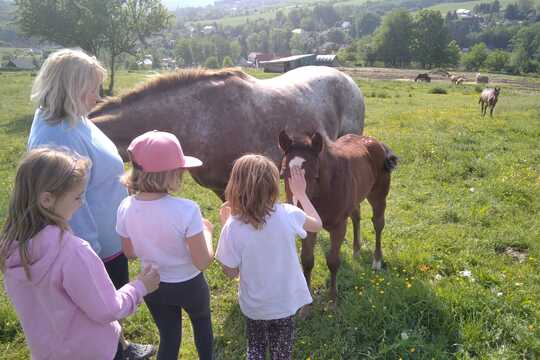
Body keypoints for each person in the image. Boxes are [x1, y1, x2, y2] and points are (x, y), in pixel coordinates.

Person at [26, 48, 155, 359]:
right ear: (72, 87)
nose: (97, 97)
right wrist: (92, 254)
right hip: (93, 246)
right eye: (92, 88)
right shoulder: (57, 136)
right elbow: (71, 204)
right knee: (97, 311)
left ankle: (119, 347)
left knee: (104, 315)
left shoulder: (71, 118)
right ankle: (113, 352)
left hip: (105, 239)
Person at [0, 148, 160, 360]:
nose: (82, 202)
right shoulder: (73, 251)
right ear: (47, 200)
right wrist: (140, 286)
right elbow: (107, 309)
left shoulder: (10, 248)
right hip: (94, 353)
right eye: (77, 196)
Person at [116, 130, 215, 360]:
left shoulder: (124, 207)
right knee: (202, 323)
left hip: (152, 285)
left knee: (169, 336)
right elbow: (202, 262)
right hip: (189, 285)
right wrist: (208, 233)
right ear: (171, 174)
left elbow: (129, 253)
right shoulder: (187, 210)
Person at [216, 154, 323, 360]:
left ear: (235, 186)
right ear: (273, 186)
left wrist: (224, 226)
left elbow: (230, 272)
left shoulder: (232, 227)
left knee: (255, 347)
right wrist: (301, 194)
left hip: (254, 305)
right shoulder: (289, 214)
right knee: (281, 353)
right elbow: (317, 224)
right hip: (285, 302)